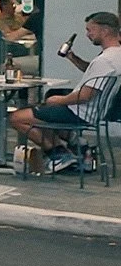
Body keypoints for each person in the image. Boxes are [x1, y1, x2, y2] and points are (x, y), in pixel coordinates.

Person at [9, 11, 121, 172]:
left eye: (90, 30)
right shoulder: (115, 56)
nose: (88, 34)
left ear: (104, 31)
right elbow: (92, 72)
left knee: (17, 118)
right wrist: (72, 57)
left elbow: (85, 96)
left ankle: (58, 153)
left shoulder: (105, 61)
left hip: (80, 111)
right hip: (95, 111)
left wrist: (58, 100)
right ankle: (77, 145)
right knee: (42, 113)